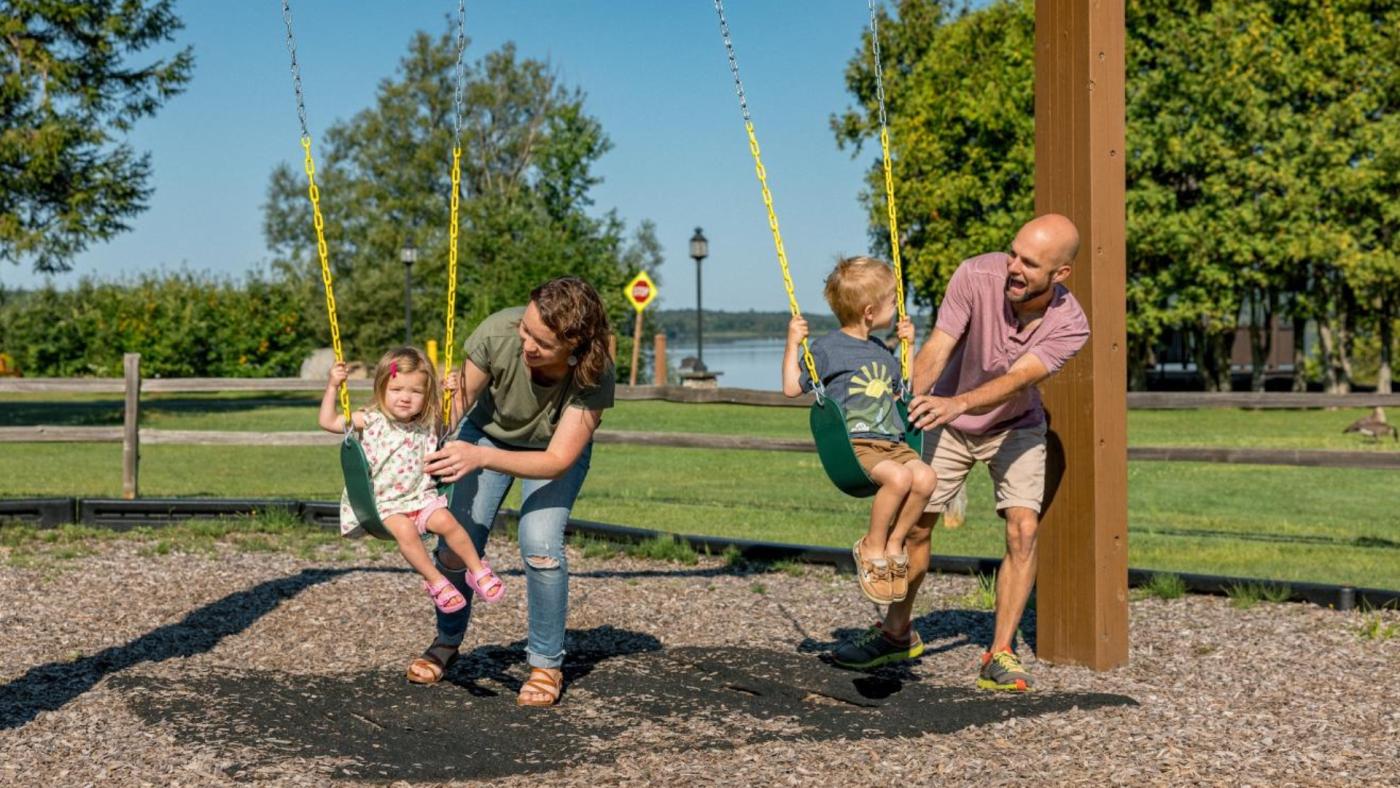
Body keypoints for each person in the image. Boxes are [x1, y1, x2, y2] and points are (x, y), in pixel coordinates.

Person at [830, 214, 1089, 692]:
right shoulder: (976, 274)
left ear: (1061, 275)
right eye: (1013, 253)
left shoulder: (1071, 325)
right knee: (918, 527)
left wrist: (959, 402)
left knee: (1023, 529)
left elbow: (1019, 379)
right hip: (945, 418)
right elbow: (938, 347)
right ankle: (896, 632)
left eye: (1029, 264)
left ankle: (1001, 651)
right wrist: (901, 403)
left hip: (1015, 424)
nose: (1013, 266)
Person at [409, 276, 615, 708]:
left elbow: (557, 460)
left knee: (540, 544)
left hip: (552, 448)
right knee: (455, 540)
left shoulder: (594, 374)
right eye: (525, 327)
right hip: (483, 434)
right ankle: (447, 641)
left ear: (573, 345)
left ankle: (545, 664)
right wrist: (433, 421)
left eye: (540, 341)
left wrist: (480, 459)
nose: (526, 343)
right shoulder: (499, 332)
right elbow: (457, 408)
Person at [783, 256, 937, 606]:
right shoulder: (826, 349)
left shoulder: (882, 350)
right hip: (856, 447)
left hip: (893, 442)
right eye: (893, 302)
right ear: (870, 311)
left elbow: (903, 390)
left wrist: (908, 349)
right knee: (898, 480)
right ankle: (871, 544)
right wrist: (793, 343)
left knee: (926, 478)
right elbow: (793, 387)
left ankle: (895, 542)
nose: (898, 308)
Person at [317, 347, 505, 612]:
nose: (405, 398)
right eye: (396, 390)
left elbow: (448, 421)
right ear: (381, 388)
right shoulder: (371, 420)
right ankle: (436, 581)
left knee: (448, 522)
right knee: (405, 530)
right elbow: (328, 421)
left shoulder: (428, 422)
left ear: (425, 394)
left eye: (415, 392)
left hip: (421, 497)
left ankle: (478, 570)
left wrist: (450, 391)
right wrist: (333, 386)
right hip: (385, 505)